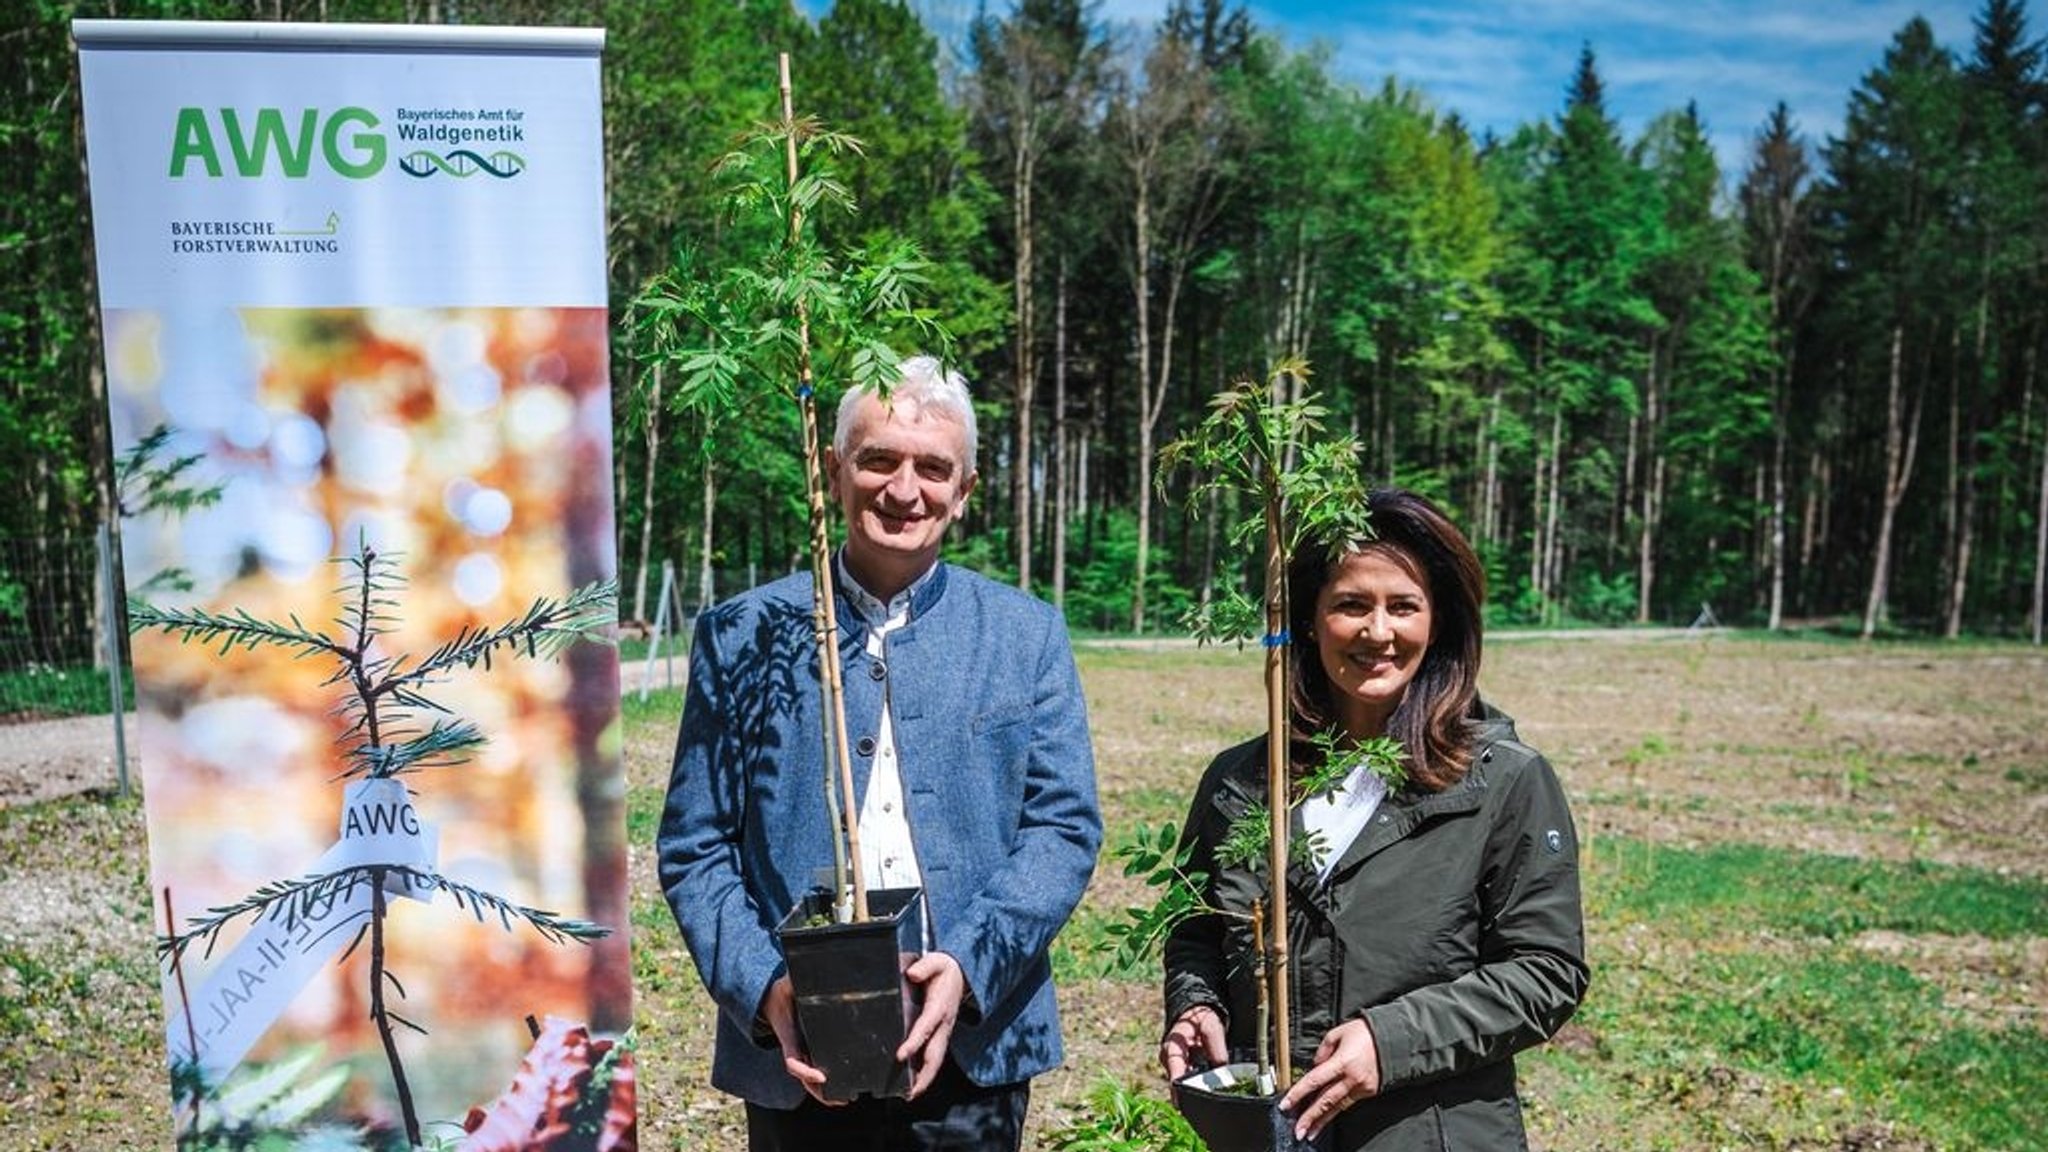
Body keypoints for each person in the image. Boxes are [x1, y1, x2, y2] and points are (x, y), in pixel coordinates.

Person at [658, 356, 1101, 1152]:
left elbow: (1062, 829)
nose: (905, 490)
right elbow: (696, 847)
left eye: (933, 468)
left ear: (964, 491)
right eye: (879, 460)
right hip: (799, 1065)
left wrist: (968, 966)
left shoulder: (1026, 635)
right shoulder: (740, 635)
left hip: (975, 1048)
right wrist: (767, 990)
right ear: (834, 471)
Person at [1158, 487, 1589, 1149]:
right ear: (1309, 619)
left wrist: (1389, 1043)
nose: (1379, 632)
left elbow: (1545, 970)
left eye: (1404, 606)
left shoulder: (1503, 780)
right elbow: (1195, 931)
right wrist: (1196, 1003)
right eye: (1352, 604)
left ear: (1438, 622)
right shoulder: (1241, 783)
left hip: (1427, 1132)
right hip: (1268, 1131)